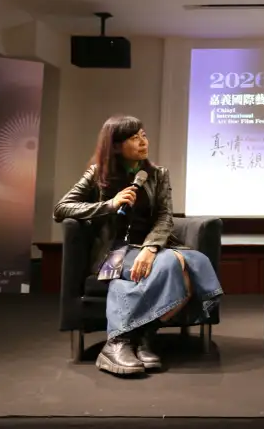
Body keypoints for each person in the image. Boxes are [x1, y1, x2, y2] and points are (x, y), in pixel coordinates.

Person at [53, 116, 223, 376]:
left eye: (143, 135)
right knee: (173, 263)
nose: (143, 142)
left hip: (151, 247)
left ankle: (134, 338)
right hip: (114, 252)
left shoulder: (157, 174)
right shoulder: (97, 174)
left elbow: (165, 217)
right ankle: (126, 341)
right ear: (116, 145)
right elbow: (61, 208)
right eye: (134, 138)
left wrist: (150, 248)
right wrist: (109, 205)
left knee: (194, 261)